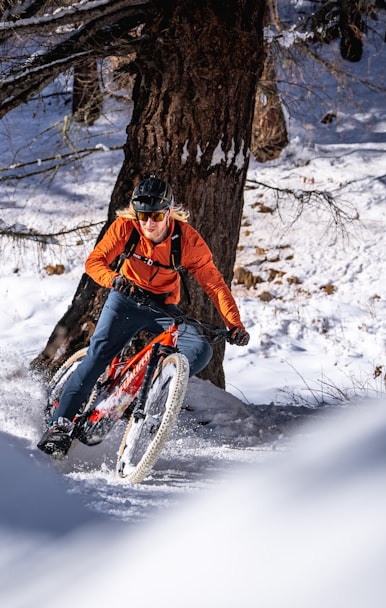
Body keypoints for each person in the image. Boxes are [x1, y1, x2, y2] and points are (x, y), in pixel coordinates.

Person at [38, 174, 250, 459]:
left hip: (162, 307)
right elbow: (94, 262)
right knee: (98, 355)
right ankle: (59, 424)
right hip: (124, 300)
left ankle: (145, 392)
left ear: (169, 212)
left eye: (156, 216)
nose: (149, 223)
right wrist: (114, 280)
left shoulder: (186, 240)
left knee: (198, 350)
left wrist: (234, 325)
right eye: (143, 215)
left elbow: (214, 284)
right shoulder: (125, 228)